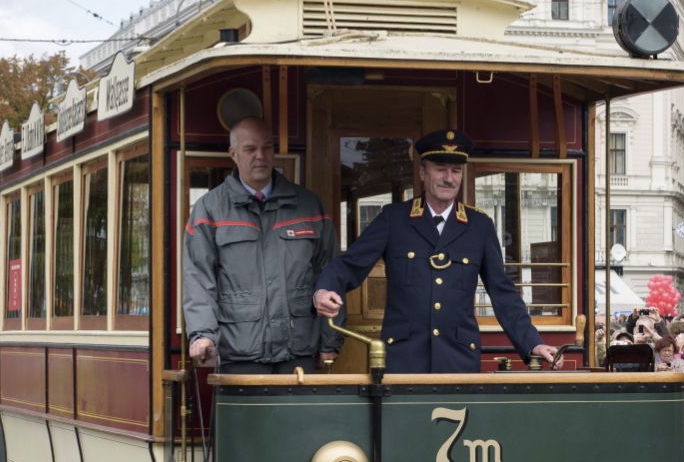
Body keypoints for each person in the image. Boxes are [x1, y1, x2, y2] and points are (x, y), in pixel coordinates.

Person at [314, 130, 556, 373]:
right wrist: (325, 289)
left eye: (456, 170)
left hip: (458, 359)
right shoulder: (394, 219)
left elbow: (502, 291)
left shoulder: (480, 226)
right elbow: (349, 264)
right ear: (422, 172)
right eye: (440, 168)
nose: (449, 178)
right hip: (404, 359)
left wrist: (531, 342)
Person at [184, 116, 342, 373]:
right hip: (239, 353)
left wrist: (330, 341)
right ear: (233, 154)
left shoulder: (309, 205)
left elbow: (331, 274)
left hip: (299, 351)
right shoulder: (209, 209)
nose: (260, 156)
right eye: (250, 149)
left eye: (267, 148)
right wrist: (203, 334)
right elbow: (198, 279)